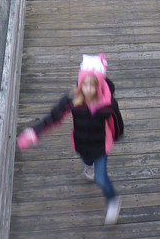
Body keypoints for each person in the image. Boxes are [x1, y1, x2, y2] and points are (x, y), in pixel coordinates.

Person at [17, 54, 123, 225]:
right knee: (86, 159)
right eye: (85, 84)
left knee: (101, 178)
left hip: (101, 145)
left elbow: (116, 121)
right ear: (80, 84)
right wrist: (34, 132)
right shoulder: (73, 100)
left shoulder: (108, 104)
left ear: (100, 85)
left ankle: (112, 200)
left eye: (93, 85)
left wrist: (116, 134)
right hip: (81, 143)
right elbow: (53, 117)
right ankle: (88, 166)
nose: (88, 89)